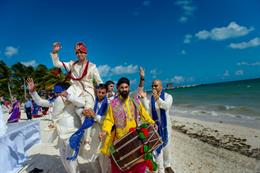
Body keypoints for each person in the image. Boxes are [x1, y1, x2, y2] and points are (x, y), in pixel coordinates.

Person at [27, 78, 84, 173]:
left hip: (72, 132)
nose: (56, 94)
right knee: (63, 157)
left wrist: (68, 96)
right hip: (60, 133)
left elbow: (81, 103)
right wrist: (33, 92)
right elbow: (40, 102)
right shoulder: (56, 101)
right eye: (55, 92)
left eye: (58, 92)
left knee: (71, 157)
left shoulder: (73, 99)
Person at [100, 77, 155, 173]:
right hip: (120, 140)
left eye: (126, 87)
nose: (124, 89)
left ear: (129, 88)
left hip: (135, 138)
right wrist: (105, 130)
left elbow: (144, 114)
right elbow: (109, 120)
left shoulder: (135, 101)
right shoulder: (113, 104)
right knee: (119, 166)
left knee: (139, 165)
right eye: (122, 87)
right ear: (118, 88)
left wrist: (151, 123)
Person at [140, 80, 174, 173]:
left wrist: (157, 98)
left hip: (165, 127)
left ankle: (167, 165)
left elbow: (166, 106)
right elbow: (148, 109)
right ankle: (160, 168)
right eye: (152, 86)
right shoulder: (151, 98)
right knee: (157, 147)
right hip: (155, 127)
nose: (154, 88)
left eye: (156, 86)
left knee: (166, 147)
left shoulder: (168, 96)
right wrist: (143, 99)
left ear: (161, 86)